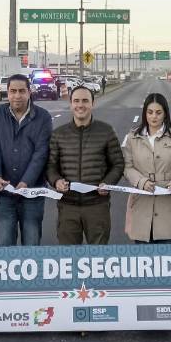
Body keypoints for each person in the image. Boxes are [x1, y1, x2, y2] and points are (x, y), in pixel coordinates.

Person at [47, 85, 124, 245]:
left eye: (85, 101)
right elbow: (50, 165)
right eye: (76, 101)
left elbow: (118, 164)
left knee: (98, 258)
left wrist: (108, 183)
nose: (80, 105)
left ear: (92, 103)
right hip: (68, 206)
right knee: (69, 259)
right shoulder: (59, 134)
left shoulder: (106, 131)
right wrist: (56, 181)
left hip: (97, 205)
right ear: (71, 104)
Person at [0, 73, 53, 246]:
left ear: (30, 92)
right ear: (7, 92)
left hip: (32, 193)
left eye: (22, 91)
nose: (17, 95)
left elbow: (41, 153)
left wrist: (26, 181)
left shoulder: (43, 117)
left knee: (31, 246)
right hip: (4, 194)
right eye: (13, 91)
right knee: (4, 245)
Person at [122, 93, 171, 244]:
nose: (154, 117)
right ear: (144, 113)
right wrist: (141, 182)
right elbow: (127, 167)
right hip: (141, 203)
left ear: (165, 113)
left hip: (169, 204)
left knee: (168, 262)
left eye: (158, 112)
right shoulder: (133, 137)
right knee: (144, 263)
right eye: (150, 112)